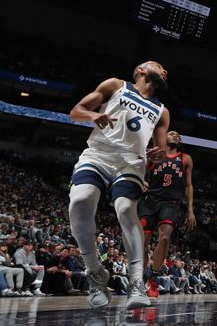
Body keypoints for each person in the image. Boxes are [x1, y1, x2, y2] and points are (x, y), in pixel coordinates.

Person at [68, 61, 170, 309]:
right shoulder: (116, 85)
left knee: (125, 208)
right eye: (159, 66)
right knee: (80, 202)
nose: (165, 70)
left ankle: (136, 282)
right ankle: (95, 273)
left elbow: (162, 148)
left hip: (132, 162)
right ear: (141, 70)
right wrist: (93, 114)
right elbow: (76, 111)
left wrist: (160, 154)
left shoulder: (162, 110)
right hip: (98, 154)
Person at [138, 130, 196, 298]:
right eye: (172, 133)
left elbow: (188, 185)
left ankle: (154, 277)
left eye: (179, 135)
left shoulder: (186, 159)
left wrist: (190, 209)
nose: (176, 135)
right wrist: (140, 180)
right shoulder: (155, 153)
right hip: (150, 201)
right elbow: (138, 168)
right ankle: (141, 278)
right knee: (143, 243)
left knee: (164, 238)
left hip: (170, 203)